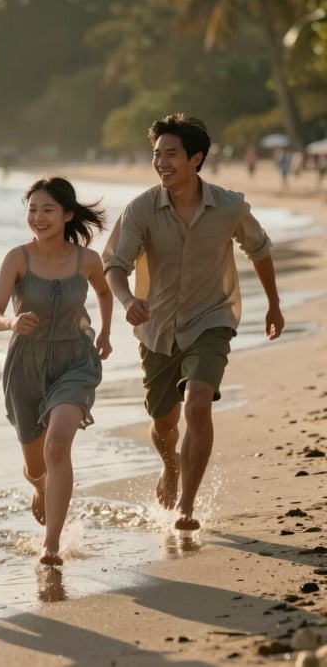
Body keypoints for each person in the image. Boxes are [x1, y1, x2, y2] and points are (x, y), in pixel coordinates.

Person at [103, 113, 284, 531]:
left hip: (211, 318)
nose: (161, 162)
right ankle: (170, 466)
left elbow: (259, 248)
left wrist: (273, 304)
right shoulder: (141, 208)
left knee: (199, 401)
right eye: (156, 155)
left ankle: (186, 505)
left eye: (171, 154)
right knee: (163, 421)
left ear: (195, 158)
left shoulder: (229, 206)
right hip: (156, 326)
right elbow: (114, 264)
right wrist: (128, 298)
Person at [0, 177, 112, 567]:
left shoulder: (87, 260)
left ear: (67, 215)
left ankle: (51, 544)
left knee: (58, 444)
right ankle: (40, 487)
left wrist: (105, 331)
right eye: (32, 210)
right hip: (25, 364)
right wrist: (9, 324)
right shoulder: (17, 258)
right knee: (36, 464)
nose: (38, 218)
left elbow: (105, 292)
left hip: (74, 360)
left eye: (47, 210)